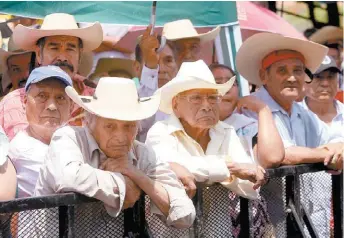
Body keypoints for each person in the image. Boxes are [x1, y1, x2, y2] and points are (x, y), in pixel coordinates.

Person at [34, 77, 195, 236]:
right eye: (110, 126)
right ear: (89, 122)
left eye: (128, 126)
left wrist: (136, 175)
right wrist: (124, 186)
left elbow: (184, 215)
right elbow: (68, 177)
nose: (120, 137)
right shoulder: (68, 137)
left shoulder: (142, 153)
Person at [236, 32, 344, 237]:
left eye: (298, 70)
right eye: (282, 70)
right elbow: (278, 156)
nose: (292, 77)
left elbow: (331, 139)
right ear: (263, 76)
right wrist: (325, 153)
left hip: (307, 220)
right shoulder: (251, 108)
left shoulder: (301, 111)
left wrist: (337, 146)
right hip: (268, 224)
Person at [146, 60, 266, 237]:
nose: (206, 105)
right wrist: (229, 168)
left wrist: (231, 172)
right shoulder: (160, 131)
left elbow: (250, 185)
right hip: (173, 232)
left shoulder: (226, 131)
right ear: (176, 106)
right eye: (196, 98)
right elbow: (169, 168)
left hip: (217, 230)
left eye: (212, 97)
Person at [0, 13, 103, 140]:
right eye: (54, 48)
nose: (62, 57)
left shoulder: (99, 101)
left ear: (80, 55)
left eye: (70, 49)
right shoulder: (15, 102)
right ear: (38, 54)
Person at [8, 65, 73, 198]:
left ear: (71, 106)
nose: (51, 106)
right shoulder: (21, 150)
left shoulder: (78, 140)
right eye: (42, 96)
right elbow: (67, 182)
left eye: (60, 98)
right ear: (25, 102)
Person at [135, 34, 178, 141]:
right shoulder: (128, 102)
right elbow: (142, 123)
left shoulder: (190, 102)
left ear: (177, 66)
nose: (161, 69)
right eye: (154, 63)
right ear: (137, 68)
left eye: (168, 61)